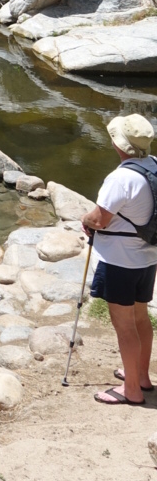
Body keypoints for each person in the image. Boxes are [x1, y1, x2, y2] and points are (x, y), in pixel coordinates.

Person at [83, 113, 157, 406]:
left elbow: (99, 219)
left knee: (124, 326)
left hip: (119, 261)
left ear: (119, 144)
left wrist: (85, 219)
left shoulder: (121, 178)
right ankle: (141, 376)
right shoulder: (154, 166)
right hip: (147, 258)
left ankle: (131, 391)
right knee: (140, 318)